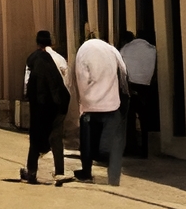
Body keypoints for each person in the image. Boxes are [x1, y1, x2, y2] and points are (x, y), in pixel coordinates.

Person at [73, 28, 125, 186]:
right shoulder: (111, 49)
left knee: (87, 143)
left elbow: (82, 79)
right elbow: (123, 71)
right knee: (114, 143)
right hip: (112, 104)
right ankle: (114, 178)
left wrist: (83, 103)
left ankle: (86, 172)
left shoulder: (83, 51)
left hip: (90, 106)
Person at [20, 30, 72, 184]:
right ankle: (59, 172)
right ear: (51, 42)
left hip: (41, 104)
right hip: (58, 103)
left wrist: (28, 98)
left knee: (35, 136)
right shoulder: (60, 58)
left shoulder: (33, 59)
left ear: (37, 43)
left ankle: (32, 172)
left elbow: (27, 83)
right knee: (56, 137)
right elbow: (67, 82)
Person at [118, 31, 158, 159]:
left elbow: (121, 69)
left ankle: (130, 147)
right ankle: (146, 149)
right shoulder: (152, 49)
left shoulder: (125, 49)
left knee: (128, 118)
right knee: (145, 118)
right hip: (146, 86)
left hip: (130, 85)